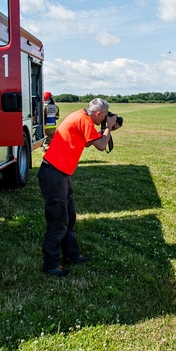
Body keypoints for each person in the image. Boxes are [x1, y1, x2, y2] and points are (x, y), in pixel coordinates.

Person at [38, 98, 119, 276]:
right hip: (54, 174)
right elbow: (101, 145)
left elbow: (89, 141)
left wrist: (106, 128)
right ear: (98, 114)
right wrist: (107, 128)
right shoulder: (84, 120)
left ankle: (71, 255)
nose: (107, 118)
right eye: (105, 116)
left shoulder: (82, 117)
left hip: (59, 174)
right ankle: (51, 263)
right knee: (58, 219)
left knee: (69, 216)